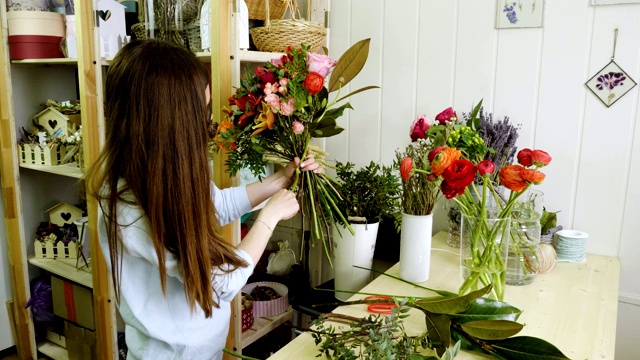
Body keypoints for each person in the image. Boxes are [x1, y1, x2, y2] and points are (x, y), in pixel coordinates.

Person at [85, 39, 321, 359]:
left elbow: (216, 205)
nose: (207, 123)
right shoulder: (131, 211)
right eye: (203, 110)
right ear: (173, 122)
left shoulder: (165, 177)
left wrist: (279, 180)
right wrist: (269, 217)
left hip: (200, 347)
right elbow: (223, 282)